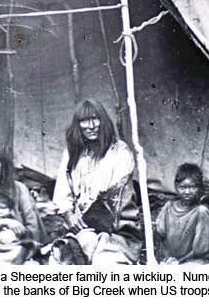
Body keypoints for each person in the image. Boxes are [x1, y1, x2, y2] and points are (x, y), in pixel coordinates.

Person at [52, 99, 143, 264]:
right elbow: (62, 192)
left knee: (104, 262)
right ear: (78, 125)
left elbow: (113, 197)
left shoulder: (120, 152)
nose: (91, 125)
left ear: (103, 121)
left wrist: (91, 216)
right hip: (85, 228)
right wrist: (69, 214)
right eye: (84, 120)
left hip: (118, 230)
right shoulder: (72, 155)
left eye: (95, 118)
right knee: (68, 257)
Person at [156, 163, 209, 264]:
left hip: (195, 261)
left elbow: (200, 250)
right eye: (183, 187)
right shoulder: (169, 207)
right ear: (176, 187)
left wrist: (179, 262)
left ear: (200, 188)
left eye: (193, 187)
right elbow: (160, 236)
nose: (187, 191)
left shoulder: (201, 212)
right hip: (172, 260)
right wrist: (168, 258)